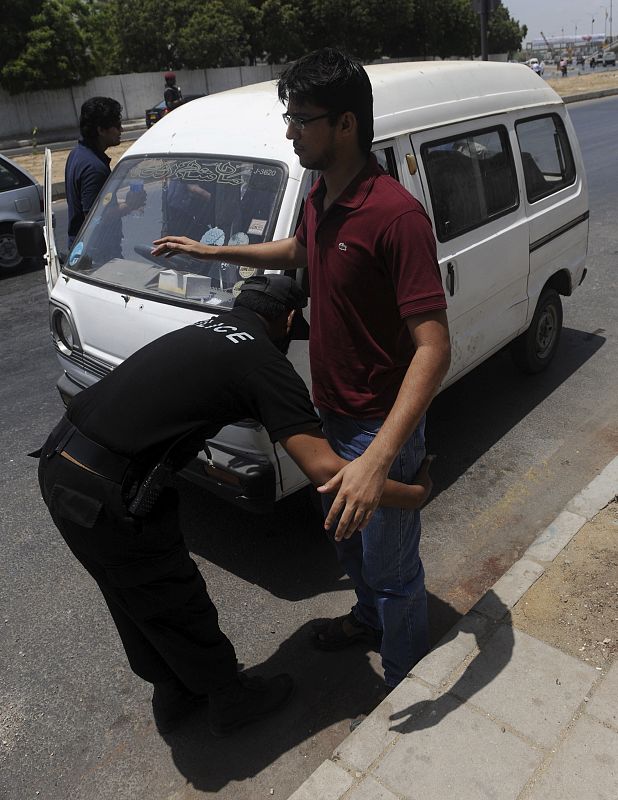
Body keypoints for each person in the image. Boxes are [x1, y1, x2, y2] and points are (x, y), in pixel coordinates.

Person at [151, 48, 452, 690]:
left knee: (393, 565)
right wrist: (216, 249)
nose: (289, 131)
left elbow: (434, 347)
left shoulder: (395, 216)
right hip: (333, 414)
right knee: (347, 542)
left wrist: (378, 461)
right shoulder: (321, 195)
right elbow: (299, 249)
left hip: (380, 430)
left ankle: (405, 674)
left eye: (300, 119)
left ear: (345, 125)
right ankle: (370, 621)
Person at [35, 275, 434, 737]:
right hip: (106, 489)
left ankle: (175, 692)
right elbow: (325, 471)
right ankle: (229, 699)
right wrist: (414, 494)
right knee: (173, 594)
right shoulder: (262, 361)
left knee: (130, 595)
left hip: (60, 463)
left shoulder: (204, 329)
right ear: (286, 320)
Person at [65, 97, 142, 252]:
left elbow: (93, 203)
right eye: (117, 125)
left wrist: (119, 201)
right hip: (96, 253)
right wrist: (130, 206)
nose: (121, 130)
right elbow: (94, 218)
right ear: (100, 130)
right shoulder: (94, 168)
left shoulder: (77, 154)